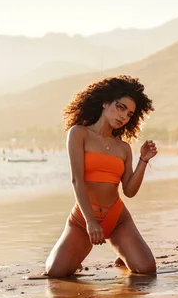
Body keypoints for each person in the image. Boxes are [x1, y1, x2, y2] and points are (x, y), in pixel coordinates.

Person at [45, 75, 157, 277]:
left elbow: (129, 191)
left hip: (117, 218)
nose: (124, 116)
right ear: (105, 102)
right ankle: (86, 255)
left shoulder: (123, 148)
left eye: (130, 114)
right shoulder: (79, 133)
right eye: (120, 107)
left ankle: (123, 254)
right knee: (55, 273)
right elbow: (77, 181)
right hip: (83, 219)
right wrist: (90, 222)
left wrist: (144, 160)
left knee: (147, 269)